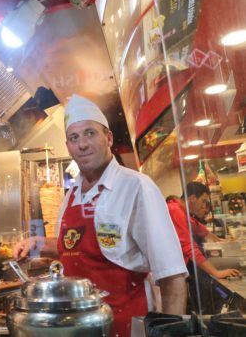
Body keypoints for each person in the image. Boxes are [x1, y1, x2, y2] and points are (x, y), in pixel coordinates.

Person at [14, 95, 188, 337]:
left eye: (90, 133)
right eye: (74, 138)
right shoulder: (72, 194)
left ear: (109, 138)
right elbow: (77, 249)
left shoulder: (135, 186)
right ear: (68, 146)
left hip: (126, 326)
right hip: (78, 329)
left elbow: (171, 274)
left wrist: (171, 333)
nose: (82, 144)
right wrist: (39, 244)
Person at [167, 182, 240, 279]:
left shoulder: (178, 208)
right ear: (192, 198)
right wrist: (216, 273)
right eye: (203, 201)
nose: (204, 206)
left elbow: (196, 226)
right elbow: (189, 247)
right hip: (169, 269)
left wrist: (218, 240)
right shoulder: (175, 210)